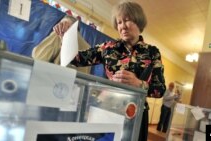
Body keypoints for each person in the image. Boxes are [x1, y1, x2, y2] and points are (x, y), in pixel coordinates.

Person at [33, 1, 166, 141]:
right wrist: (66, 31)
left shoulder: (152, 52)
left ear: (138, 21)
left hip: (136, 113)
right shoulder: (108, 48)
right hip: (108, 110)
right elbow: (76, 59)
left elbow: (160, 89)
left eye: (126, 20)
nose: (122, 26)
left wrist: (139, 84)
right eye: (119, 22)